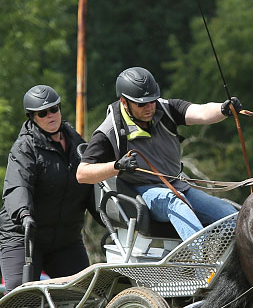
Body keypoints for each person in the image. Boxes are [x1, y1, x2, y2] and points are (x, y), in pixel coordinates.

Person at [76, 67, 239, 239]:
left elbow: (200, 112)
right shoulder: (110, 130)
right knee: (175, 202)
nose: (149, 108)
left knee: (229, 214)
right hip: (144, 192)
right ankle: (202, 260)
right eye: (141, 104)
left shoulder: (166, 109)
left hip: (179, 184)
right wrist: (117, 166)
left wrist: (223, 109)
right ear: (124, 102)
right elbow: (82, 174)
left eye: (152, 101)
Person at [0, 85, 95, 293]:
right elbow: (17, 186)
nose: (50, 115)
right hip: (23, 234)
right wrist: (23, 215)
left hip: (65, 238)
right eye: (42, 113)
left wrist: (113, 220)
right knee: (19, 295)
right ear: (32, 117)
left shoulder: (77, 143)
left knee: (87, 294)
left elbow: (90, 187)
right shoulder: (24, 148)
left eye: (54, 109)